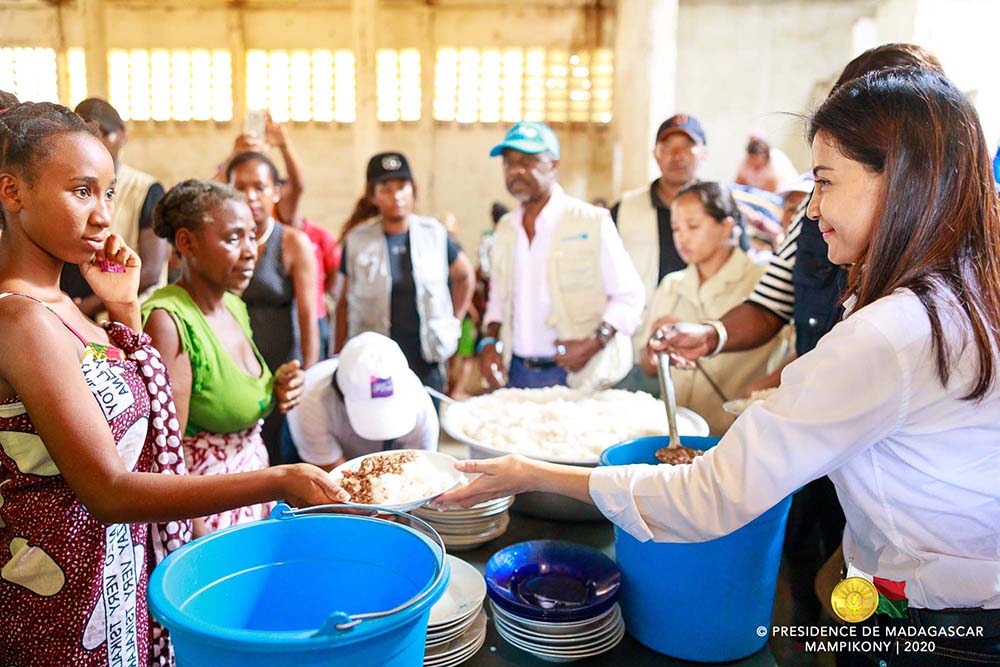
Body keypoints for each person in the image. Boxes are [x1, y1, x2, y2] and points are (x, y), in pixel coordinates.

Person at [440, 68, 1000, 665]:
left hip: (937, 632)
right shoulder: (961, 292)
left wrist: (532, 472)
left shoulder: (889, 333)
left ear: (902, 182)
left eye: (826, 183)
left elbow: (709, 496)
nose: (811, 212)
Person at [0, 102, 346, 666]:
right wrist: (279, 479)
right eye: (81, 191)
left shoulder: (69, 307)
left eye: (109, 193)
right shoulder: (21, 319)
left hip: (113, 585)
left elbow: (143, 422)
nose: (103, 217)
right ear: (13, 193)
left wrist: (124, 308)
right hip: (60, 604)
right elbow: (109, 490)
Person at [657, 44, 946, 641]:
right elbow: (770, 303)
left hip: (924, 548)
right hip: (824, 449)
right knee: (816, 563)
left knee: (873, 596)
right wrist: (711, 334)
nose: (816, 208)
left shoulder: (905, 316)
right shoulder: (818, 219)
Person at [142, 179, 306, 536]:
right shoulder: (169, 321)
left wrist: (274, 387)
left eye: (252, 236)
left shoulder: (232, 304)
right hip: (206, 516)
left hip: (247, 500)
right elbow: (167, 456)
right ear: (186, 242)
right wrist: (199, 543)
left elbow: (223, 389)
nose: (250, 251)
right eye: (233, 239)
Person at [478, 121, 645, 390]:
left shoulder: (591, 222)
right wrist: (488, 344)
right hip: (518, 372)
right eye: (509, 163)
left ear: (554, 164)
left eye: (529, 161)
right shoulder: (506, 229)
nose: (516, 170)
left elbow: (630, 297)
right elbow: (498, 300)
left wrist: (593, 343)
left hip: (579, 375)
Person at [635, 182, 790, 435]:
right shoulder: (671, 285)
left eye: (693, 226)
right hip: (674, 434)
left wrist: (757, 392)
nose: (681, 237)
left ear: (726, 227)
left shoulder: (764, 283)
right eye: (675, 228)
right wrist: (654, 345)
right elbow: (648, 368)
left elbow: (806, 355)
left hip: (736, 436)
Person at [335, 152, 475, 397]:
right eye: (386, 189)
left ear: (413, 190)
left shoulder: (433, 234)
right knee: (379, 427)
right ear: (373, 195)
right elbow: (343, 302)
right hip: (375, 360)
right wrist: (339, 354)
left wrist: (452, 322)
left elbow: (464, 276)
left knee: (425, 428)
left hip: (425, 357)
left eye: (402, 187)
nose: (396, 196)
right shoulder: (358, 240)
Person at [226, 150, 319, 460]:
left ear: (276, 192)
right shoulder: (223, 241)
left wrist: (309, 372)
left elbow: (309, 314)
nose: (250, 196)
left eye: (259, 187)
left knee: (282, 451)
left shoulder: (292, 243)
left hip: (282, 364)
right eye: (240, 187)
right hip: (237, 368)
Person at [60, 98, 168, 319]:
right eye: (87, 131)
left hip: (127, 315)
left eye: (105, 131)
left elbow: (150, 272)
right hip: (70, 312)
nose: (97, 139)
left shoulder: (146, 190)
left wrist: (86, 308)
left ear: (122, 136)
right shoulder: (64, 186)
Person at [285, 332, 438, 469]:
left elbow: (421, 470)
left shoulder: (420, 405)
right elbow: (335, 481)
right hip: (318, 450)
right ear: (341, 392)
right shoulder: (310, 400)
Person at [734, 131, 799, 193]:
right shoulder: (745, 159)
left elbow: (770, 190)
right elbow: (739, 183)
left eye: (757, 162)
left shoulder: (775, 160)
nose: (754, 165)